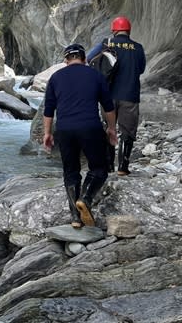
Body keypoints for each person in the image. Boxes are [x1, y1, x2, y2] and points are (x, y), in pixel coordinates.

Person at [42, 44, 117, 228]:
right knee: (99, 168)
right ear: (84, 59)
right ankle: (85, 198)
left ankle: (76, 217)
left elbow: (48, 110)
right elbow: (108, 106)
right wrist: (111, 128)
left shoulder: (55, 77)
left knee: (71, 171)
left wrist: (47, 133)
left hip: (65, 130)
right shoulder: (95, 75)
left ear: (66, 61)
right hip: (90, 126)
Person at [87, 16, 146, 176]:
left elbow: (90, 58)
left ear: (114, 30)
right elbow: (141, 69)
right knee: (127, 132)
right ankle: (123, 167)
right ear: (129, 30)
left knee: (109, 129)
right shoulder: (138, 47)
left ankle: (108, 167)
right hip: (130, 95)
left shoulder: (107, 43)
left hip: (108, 96)